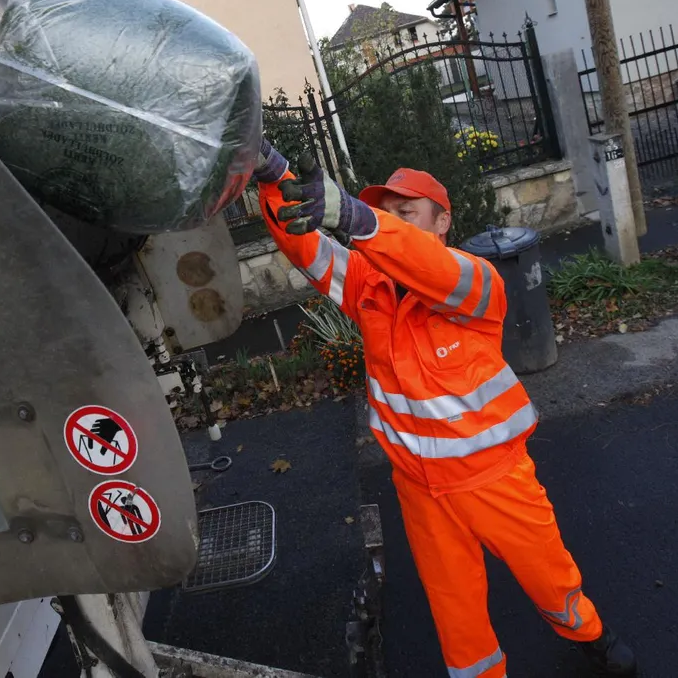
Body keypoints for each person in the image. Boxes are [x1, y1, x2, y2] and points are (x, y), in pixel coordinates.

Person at [252, 138, 637, 678]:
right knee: (454, 611)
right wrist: (272, 175)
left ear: (442, 222)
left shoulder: (475, 280)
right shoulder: (369, 287)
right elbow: (304, 244)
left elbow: (426, 266)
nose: (390, 222)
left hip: (494, 480)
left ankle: (591, 636)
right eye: (384, 213)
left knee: (549, 577)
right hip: (419, 489)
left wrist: (360, 219)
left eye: (404, 213)